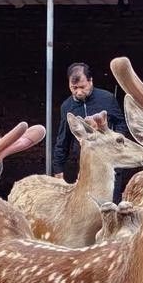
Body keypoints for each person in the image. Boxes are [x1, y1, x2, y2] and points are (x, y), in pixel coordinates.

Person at [52, 60, 131, 190]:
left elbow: (121, 124)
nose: (78, 92)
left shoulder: (107, 98)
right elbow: (63, 140)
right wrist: (58, 169)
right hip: (86, 162)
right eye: (74, 88)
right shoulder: (66, 107)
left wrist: (116, 141)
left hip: (111, 160)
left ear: (90, 81)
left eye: (82, 87)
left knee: (111, 202)